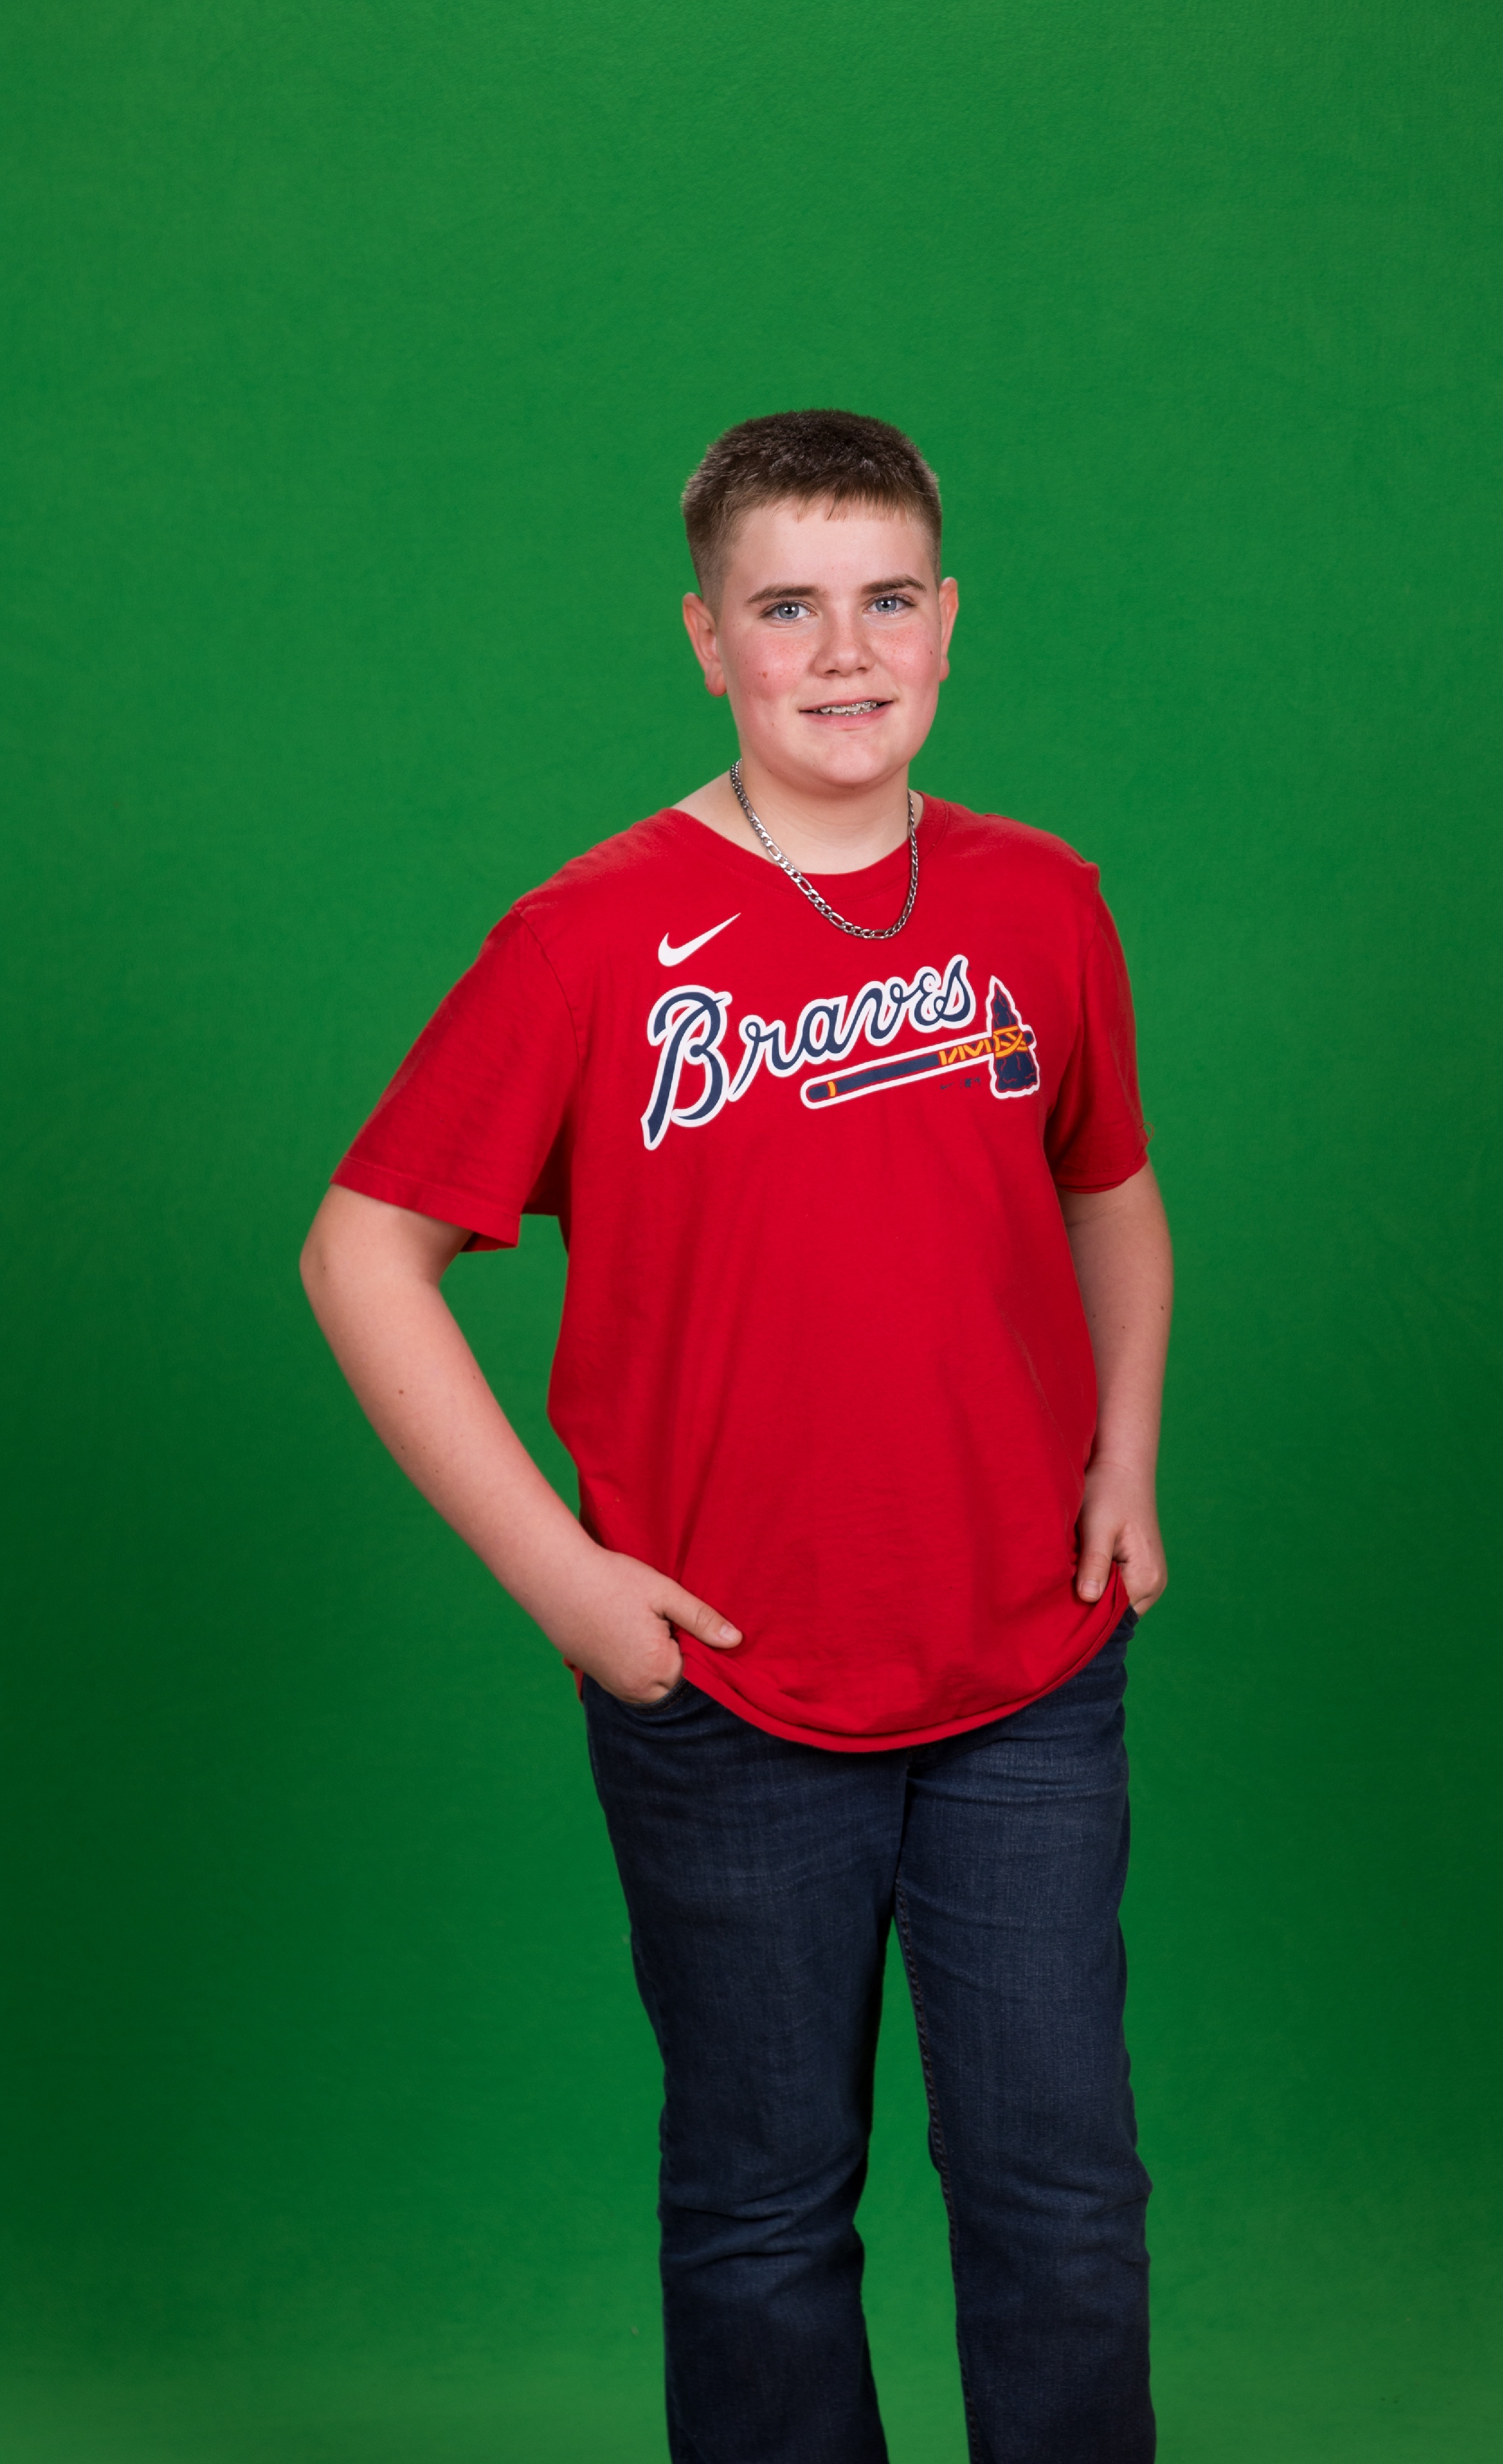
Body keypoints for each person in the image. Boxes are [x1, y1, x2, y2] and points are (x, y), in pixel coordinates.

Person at [300, 408, 1173, 2463]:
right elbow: (360, 1253)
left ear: (948, 622)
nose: (844, 652)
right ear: (708, 640)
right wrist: (564, 1583)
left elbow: (1111, 1189)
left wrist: (1126, 1449)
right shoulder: (590, 935)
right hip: (725, 1681)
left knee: (1060, 2196)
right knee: (765, 2211)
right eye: (788, 609)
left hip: (1026, 1663)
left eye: (887, 601)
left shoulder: (1041, 898)